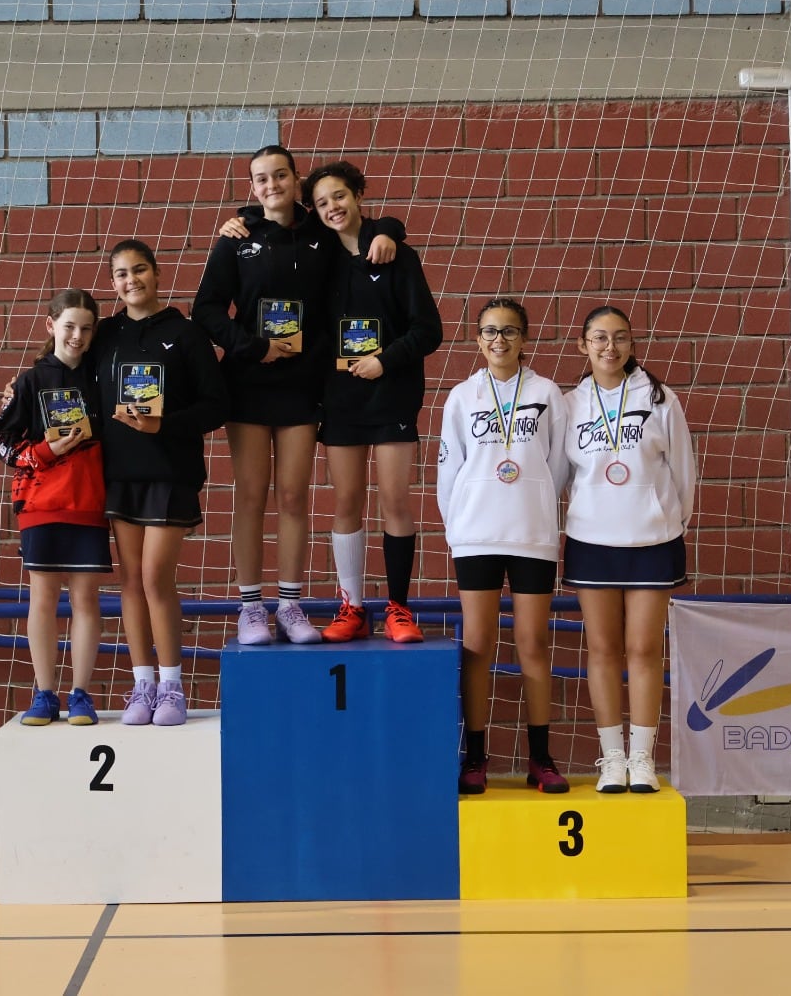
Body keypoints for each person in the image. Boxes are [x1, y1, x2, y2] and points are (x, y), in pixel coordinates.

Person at [195, 145, 401, 645]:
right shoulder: (236, 240)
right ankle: (250, 608)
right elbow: (206, 310)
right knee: (250, 494)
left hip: (303, 386)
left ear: (295, 179)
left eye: (280, 176)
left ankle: (289, 604)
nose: (272, 186)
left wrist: (391, 231)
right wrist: (254, 347)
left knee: (293, 495)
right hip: (248, 381)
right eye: (261, 179)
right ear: (253, 186)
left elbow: (366, 227)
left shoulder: (319, 235)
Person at [305, 160, 442, 643]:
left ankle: (400, 608)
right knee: (345, 502)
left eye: (339, 196)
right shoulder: (315, 255)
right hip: (340, 399)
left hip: (391, 395)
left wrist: (386, 360)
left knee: (396, 502)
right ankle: (352, 606)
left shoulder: (396, 255)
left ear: (359, 195)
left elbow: (429, 330)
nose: (332, 207)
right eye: (321, 203)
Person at [561, 305, 695, 793]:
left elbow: (684, 471)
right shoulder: (569, 404)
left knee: (643, 648)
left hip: (652, 543)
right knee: (602, 649)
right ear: (583, 345)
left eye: (620, 338)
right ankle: (612, 759)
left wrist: (670, 524)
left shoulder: (660, 399)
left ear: (633, 345)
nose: (609, 347)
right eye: (598, 338)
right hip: (591, 541)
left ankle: (642, 759)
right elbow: (559, 477)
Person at [437, 300, 569, 795]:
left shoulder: (546, 392)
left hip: (532, 534)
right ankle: (476, 757)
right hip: (477, 535)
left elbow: (557, 467)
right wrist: (461, 526)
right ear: (477, 339)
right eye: (490, 331)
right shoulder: (462, 396)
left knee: (533, 645)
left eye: (509, 331)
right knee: (477, 647)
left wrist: (533, 501)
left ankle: (540, 759)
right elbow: (448, 470)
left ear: (525, 338)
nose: (499, 340)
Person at [96, 239, 228, 726]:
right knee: (130, 581)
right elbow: (65, 375)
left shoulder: (186, 334)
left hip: (170, 472)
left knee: (155, 578)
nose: (132, 281)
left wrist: (163, 423)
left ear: (156, 273)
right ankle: (143, 683)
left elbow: (216, 406)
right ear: (113, 283)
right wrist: (20, 391)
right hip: (119, 473)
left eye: (140, 270)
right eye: (121, 274)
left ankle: (173, 685)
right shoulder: (105, 335)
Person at [0, 290, 109, 728]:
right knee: (43, 598)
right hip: (40, 504)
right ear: (50, 325)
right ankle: (44, 693)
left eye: (86, 327)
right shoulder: (29, 381)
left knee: (85, 599)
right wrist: (41, 452)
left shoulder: (102, 377)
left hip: (90, 502)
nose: (77, 336)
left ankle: (80, 694)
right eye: (69, 325)